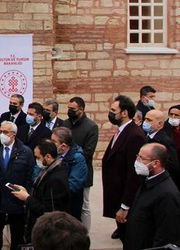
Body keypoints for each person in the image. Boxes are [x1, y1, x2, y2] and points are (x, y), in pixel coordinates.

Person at [0, 121, 34, 250]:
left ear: (13, 135)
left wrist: (26, 196)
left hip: (16, 201)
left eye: (5, 132)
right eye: (0, 132)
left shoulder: (25, 152)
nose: (2, 134)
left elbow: (29, 176)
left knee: (17, 237)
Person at [102, 94, 146, 242]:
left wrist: (125, 205)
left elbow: (134, 174)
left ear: (125, 113)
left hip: (124, 196)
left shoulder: (134, 135)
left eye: (114, 110)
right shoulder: (121, 130)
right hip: (116, 191)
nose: (111, 113)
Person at [124, 143, 180, 250]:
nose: (137, 161)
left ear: (156, 163)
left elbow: (165, 236)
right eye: (137, 156)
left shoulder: (167, 194)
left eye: (141, 158)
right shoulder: (147, 181)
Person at [11, 139, 70, 241]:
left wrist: (27, 198)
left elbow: (49, 211)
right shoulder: (46, 170)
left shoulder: (55, 179)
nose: (36, 160)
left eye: (38, 157)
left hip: (47, 232)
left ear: (48, 156)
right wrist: (26, 192)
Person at [63, 96, 98, 230]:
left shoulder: (91, 127)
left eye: (72, 109)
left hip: (83, 172)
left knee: (84, 205)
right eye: (68, 108)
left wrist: (71, 155)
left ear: (81, 109)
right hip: (65, 171)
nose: (69, 111)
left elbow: (88, 152)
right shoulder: (65, 124)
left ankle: (85, 233)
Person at [51, 127, 88, 219]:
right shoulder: (54, 155)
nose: (50, 144)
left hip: (69, 207)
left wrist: (53, 192)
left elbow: (73, 185)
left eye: (53, 142)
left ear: (63, 146)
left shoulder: (77, 159)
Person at [143, 109, 180, 187]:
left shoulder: (165, 141)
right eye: (145, 119)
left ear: (159, 124)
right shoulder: (146, 137)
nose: (145, 122)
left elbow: (173, 166)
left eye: (149, 120)